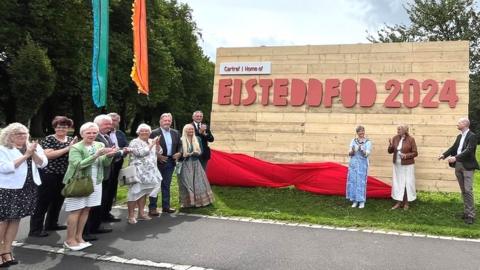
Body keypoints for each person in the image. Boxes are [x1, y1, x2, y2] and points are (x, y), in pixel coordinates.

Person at [63, 122, 116, 251]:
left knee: (86, 209)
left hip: (96, 181)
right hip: (79, 182)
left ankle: (79, 237)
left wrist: (109, 156)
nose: (92, 135)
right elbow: (78, 165)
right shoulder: (76, 148)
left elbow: (103, 162)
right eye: (88, 133)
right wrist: (96, 155)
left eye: (94, 133)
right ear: (82, 134)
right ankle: (70, 240)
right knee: (76, 210)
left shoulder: (99, 144)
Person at [0, 123, 48, 266]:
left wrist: (32, 153)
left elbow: (43, 164)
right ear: (9, 136)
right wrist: (25, 156)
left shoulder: (34, 147)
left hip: (27, 187)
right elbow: (4, 168)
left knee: (16, 219)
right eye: (18, 134)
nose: (22, 136)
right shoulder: (3, 149)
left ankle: (7, 251)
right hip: (8, 188)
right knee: (3, 220)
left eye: (24, 133)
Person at [29, 116, 77, 238]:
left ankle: (51, 223)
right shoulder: (49, 139)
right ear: (54, 127)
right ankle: (35, 229)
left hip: (64, 175)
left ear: (69, 128)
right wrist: (68, 148)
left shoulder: (71, 139)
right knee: (42, 202)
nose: (62, 129)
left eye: (65, 126)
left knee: (58, 201)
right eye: (59, 126)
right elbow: (49, 156)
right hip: (48, 174)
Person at [84, 115, 122, 241]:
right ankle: (87, 230)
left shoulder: (105, 137)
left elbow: (106, 156)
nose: (109, 126)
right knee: (90, 206)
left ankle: (95, 226)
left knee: (99, 202)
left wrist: (114, 153)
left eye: (110, 124)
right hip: (93, 176)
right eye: (106, 124)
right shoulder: (95, 140)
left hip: (104, 173)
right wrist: (113, 153)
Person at [438, 118, 479, 224]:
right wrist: (444, 155)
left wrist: (455, 158)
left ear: (465, 124)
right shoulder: (459, 136)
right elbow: (453, 148)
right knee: (463, 190)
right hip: (458, 165)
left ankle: (471, 215)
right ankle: (466, 212)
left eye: (459, 123)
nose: (457, 124)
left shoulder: (472, 136)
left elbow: (469, 150)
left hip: (467, 166)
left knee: (468, 190)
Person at [126, 124, 162, 224]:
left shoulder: (151, 140)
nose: (145, 132)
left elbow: (160, 152)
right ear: (138, 132)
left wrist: (157, 144)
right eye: (142, 131)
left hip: (150, 172)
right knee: (134, 193)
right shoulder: (134, 142)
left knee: (144, 192)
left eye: (147, 131)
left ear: (150, 132)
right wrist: (152, 144)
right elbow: (141, 153)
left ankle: (141, 213)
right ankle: (131, 216)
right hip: (137, 172)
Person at [149, 113, 182, 215]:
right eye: (165, 120)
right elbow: (148, 147)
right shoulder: (153, 133)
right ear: (160, 121)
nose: (167, 122)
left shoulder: (175, 132)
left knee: (166, 185)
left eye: (169, 121)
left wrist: (179, 153)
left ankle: (166, 206)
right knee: (155, 185)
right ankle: (152, 208)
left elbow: (180, 145)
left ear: (171, 122)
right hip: (157, 162)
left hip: (170, 162)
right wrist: (157, 156)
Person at [177, 124, 214, 208]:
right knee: (187, 183)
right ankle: (188, 203)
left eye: (192, 129)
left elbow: (201, 151)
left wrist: (196, 153)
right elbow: (179, 152)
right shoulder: (181, 140)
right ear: (185, 130)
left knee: (199, 182)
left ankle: (201, 202)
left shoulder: (198, 139)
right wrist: (184, 154)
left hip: (196, 163)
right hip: (185, 164)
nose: (191, 131)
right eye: (188, 129)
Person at [104, 112, 129, 222]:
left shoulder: (120, 133)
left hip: (118, 163)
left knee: (113, 189)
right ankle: (100, 214)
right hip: (106, 164)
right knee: (105, 189)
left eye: (115, 120)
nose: (113, 123)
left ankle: (107, 212)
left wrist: (125, 150)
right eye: (111, 120)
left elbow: (125, 145)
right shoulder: (104, 134)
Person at [388, 124, 418, 210]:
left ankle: (406, 203)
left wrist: (406, 156)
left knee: (407, 183)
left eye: (399, 129)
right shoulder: (395, 138)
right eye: (397, 129)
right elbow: (390, 151)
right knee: (398, 183)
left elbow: (415, 153)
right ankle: (398, 202)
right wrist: (390, 146)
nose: (397, 131)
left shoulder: (411, 139)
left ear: (405, 130)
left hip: (408, 165)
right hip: (397, 165)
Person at [346, 125, 372, 209]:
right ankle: (354, 200)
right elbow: (350, 153)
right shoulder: (353, 141)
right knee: (353, 181)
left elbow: (367, 154)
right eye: (359, 131)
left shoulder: (368, 142)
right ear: (357, 133)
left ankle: (361, 201)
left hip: (362, 164)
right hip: (353, 164)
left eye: (362, 131)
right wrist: (353, 151)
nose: (361, 132)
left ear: (364, 132)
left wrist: (362, 150)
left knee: (361, 182)